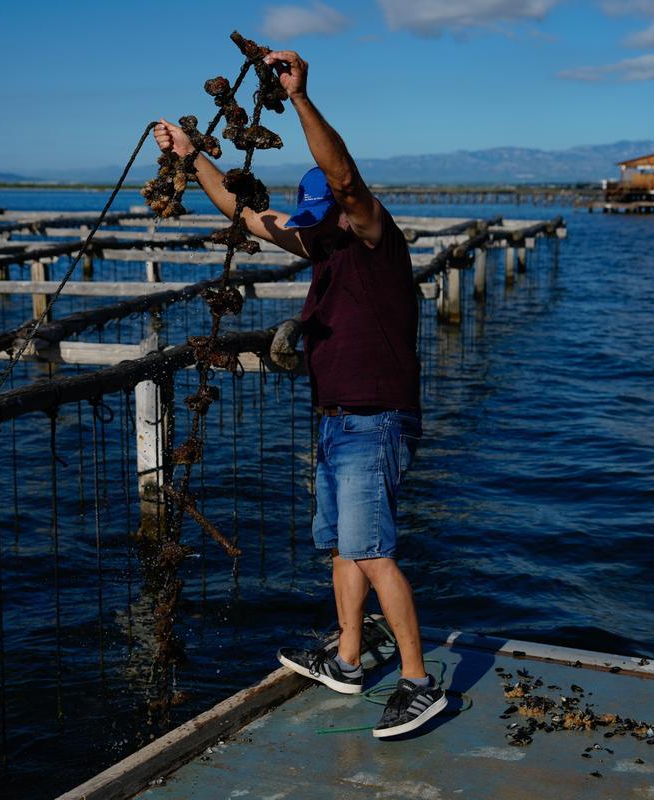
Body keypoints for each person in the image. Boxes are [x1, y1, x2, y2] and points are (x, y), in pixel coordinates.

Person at [153, 49, 445, 739]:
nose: (314, 225)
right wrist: (194, 155)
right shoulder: (323, 248)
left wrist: (302, 98)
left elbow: (344, 180)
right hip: (336, 420)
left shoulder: (376, 237)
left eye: (325, 213)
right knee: (344, 549)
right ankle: (348, 659)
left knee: (372, 550)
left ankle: (417, 680)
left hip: (376, 420)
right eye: (310, 217)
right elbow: (243, 210)